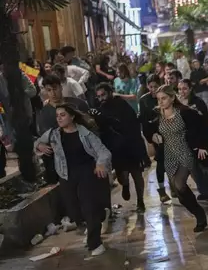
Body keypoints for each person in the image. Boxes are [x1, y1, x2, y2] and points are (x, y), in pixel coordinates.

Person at [35, 103, 111, 256]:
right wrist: (40, 146)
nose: (59, 118)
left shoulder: (86, 134)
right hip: (66, 175)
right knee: (74, 211)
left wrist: (100, 164)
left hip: (87, 174)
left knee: (88, 207)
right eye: (57, 116)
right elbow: (37, 143)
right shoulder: (53, 134)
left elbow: (103, 151)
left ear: (72, 116)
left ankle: (95, 243)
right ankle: (99, 217)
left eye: (62, 115)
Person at [152, 85, 208, 232]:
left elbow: (205, 125)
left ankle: (200, 216)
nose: (161, 102)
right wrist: (153, 136)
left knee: (179, 184)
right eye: (159, 99)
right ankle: (198, 214)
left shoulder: (184, 112)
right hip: (169, 154)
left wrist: (202, 145)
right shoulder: (158, 114)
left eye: (164, 98)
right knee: (180, 193)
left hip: (185, 151)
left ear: (172, 98)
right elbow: (150, 130)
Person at [95, 83, 147, 213]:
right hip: (116, 150)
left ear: (110, 93)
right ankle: (125, 185)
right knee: (122, 176)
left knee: (137, 174)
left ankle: (141, 201)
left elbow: (133, 124)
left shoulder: (122, 105)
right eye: (99, 96)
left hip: (131, 145)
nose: (102, 98)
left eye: (104, 94)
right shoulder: (100, 110)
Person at [178, 79, 208, 201]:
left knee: (204, 163)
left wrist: (202, 145)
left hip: (203, 138)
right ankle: (204, 191)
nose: (182, 91)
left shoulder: (198, 103)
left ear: (190, 89)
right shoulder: (177, 104)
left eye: (185, 88)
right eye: (180, 89)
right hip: (188, 141)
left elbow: (204, 124)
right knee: (193, 167)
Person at [139, 74, 171, 202]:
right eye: (150, 87)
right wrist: (150, 137)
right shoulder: (144, 100)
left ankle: (173, 185)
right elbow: (144, 120)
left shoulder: (165, 97)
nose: (153, 89)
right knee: (161, 161)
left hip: (169, 132)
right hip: (155, 135)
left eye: (155, 87)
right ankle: (162, 190)